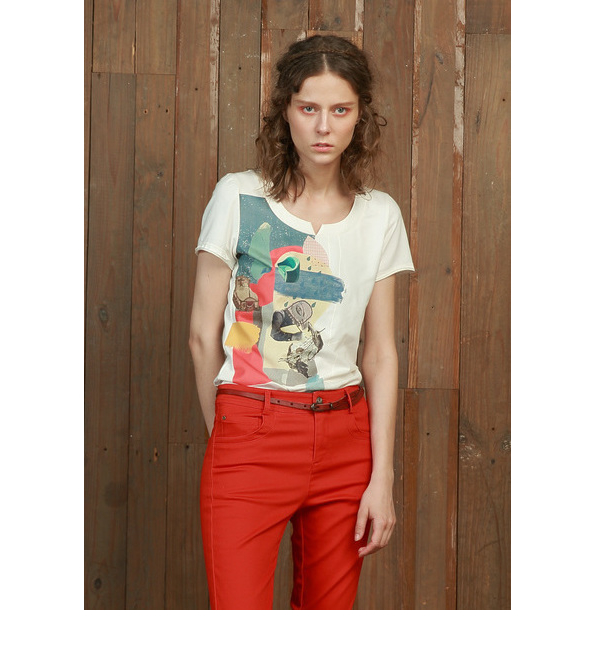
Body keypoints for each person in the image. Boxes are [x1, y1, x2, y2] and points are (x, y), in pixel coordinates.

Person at [188, 34, 415, 610]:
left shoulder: (380, 215)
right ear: (284, 110)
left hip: (346, 440)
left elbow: (380, 353)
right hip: (250, 426)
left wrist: (382, 477)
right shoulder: (239, 197)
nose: (322, 127)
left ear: (360, 116)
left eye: (340, 110)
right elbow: (201, 334)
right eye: (308, 107)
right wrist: (229, 436)